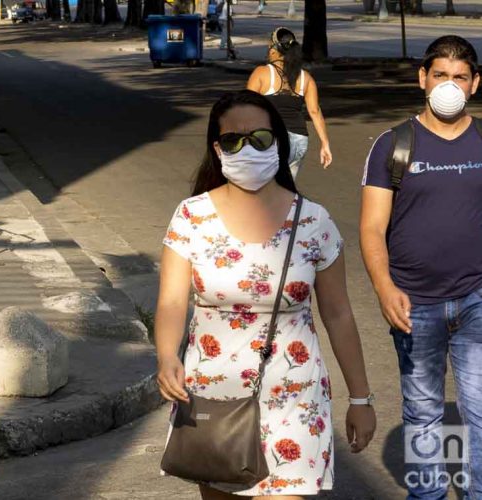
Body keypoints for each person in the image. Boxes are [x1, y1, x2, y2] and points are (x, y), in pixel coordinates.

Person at [156, 90, 375, 499]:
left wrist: (360, 398)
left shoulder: (314, 221)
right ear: (217, 148)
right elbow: (171, 301)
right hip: (214, 398)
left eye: (260, 137)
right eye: (234, 140)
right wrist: (167, 356)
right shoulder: (191, 217)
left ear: (279, 141)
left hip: (295, 397)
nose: (248, 148)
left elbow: (339, 314)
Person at [361, 35, 482, 499]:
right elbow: (372, 228)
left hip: (476, 300)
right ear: (422, 79)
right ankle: (428, 495)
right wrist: (383, 287)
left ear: (474, 84)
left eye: (459, 77)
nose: (449, 85)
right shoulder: (393, 144)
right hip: (415, 304)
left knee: (479, 410)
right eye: (440, 75)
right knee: (424, 411)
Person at [247, 27, 332, 179]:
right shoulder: (306, 78)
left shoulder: (261, 73)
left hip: (271, 140)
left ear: (275, 50)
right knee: (286, 191)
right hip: (299, 141)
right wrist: (325, 144)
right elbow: (315, 112)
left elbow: (246, 108)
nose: (268, 51)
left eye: (269, 47)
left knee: (263, 191)